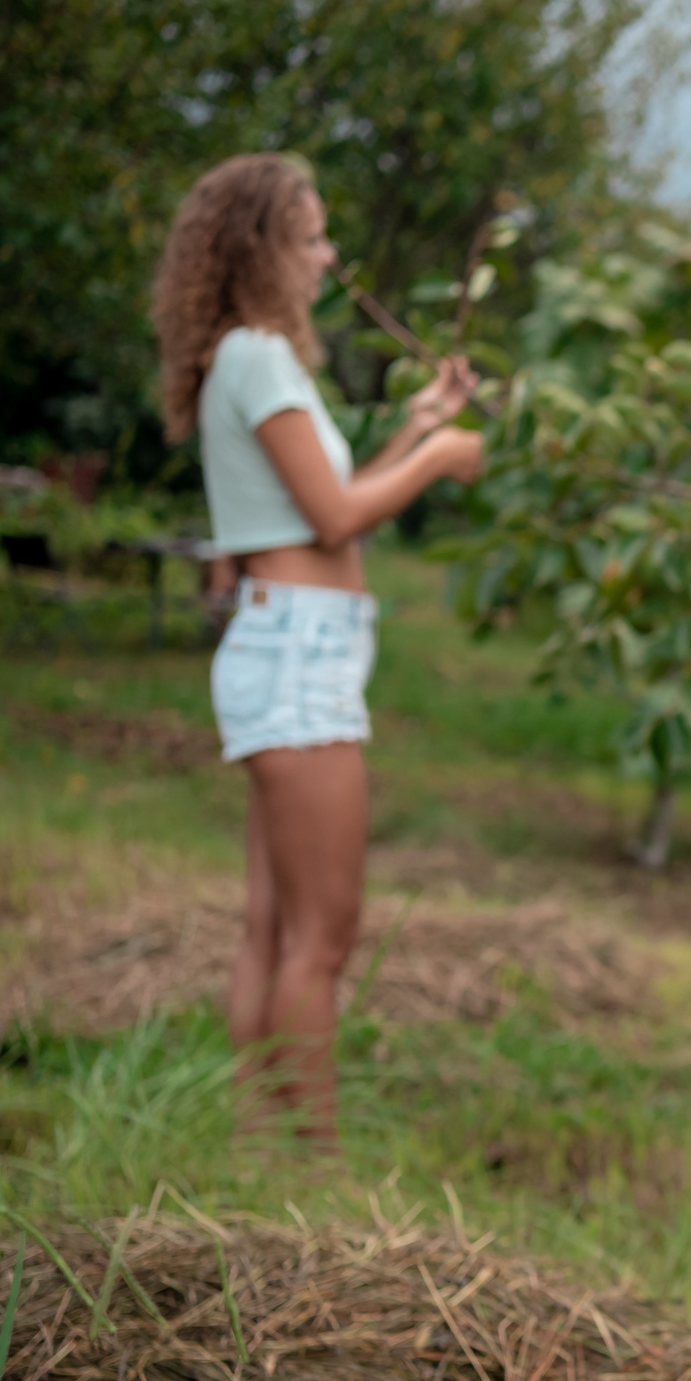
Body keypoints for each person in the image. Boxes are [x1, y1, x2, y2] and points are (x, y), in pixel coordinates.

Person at [151, 153, 485, 1149]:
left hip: (291, 641)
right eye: (312, 237)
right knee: (323, 936)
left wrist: (418, 423)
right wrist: (436, 462)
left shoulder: (250, 359)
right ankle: (318, 1173)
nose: (329, 256)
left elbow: (322, 513)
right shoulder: (257, 355)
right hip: (297, 653)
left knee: (274, 925)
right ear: (263, 248)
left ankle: (262, 1149)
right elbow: (336, 516)